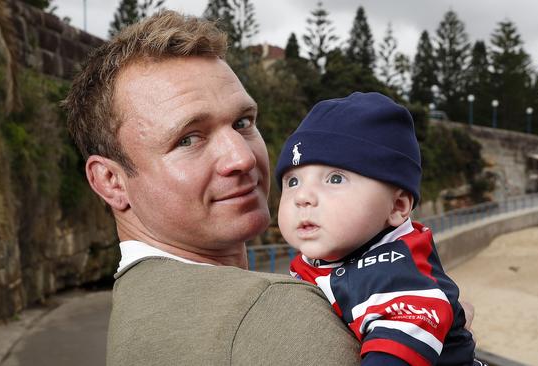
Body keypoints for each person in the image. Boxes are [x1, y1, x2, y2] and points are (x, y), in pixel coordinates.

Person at [62, 10, 361, 365]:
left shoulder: (137, 308)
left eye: (242, 122)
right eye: (188, 139)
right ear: (111, 182)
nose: (242, 158)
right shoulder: (273, 313)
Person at [276, 92, 482, 365]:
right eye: (292, 182)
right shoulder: (321, 258)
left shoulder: (398, 276)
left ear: (396, 206)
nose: (303, 197)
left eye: (335, 179)